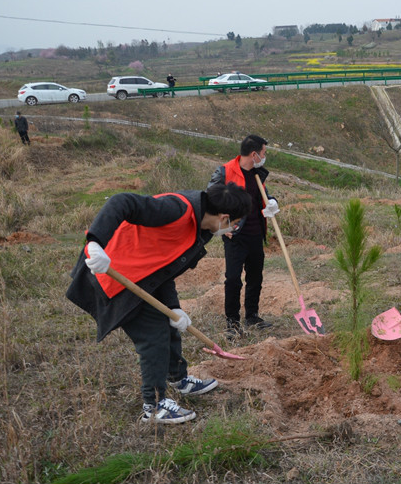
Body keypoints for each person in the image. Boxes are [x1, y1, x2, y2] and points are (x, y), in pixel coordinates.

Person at [66, 183, 252, 424]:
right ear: (224, 217)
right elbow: (122, 202)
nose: (234, 228)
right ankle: (153, 406)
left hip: (142, 276)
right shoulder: (176, 210)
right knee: (153, 335)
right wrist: (95, 243)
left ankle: (178, 378)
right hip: (110, 271)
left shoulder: (198, 228)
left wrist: (174, 307)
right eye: (234, 223)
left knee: (169, 321)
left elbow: (164, 268)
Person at [209, 134, 279, 337]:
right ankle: (232, 323)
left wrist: (272, 201)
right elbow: (209, 200)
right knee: (233, 279)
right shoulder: (225, 171)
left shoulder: (257, 173)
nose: (265, 157)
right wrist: (221, 228)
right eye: (264, 153)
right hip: (235, 237)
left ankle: (252, 317)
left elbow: (263, 195)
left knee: (255, 277)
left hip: (256, 235)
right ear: (254, 154)